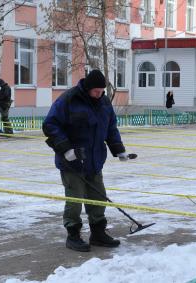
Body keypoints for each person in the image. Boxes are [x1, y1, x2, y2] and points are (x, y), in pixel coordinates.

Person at [42, 70, 130, 252]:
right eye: (96, 91)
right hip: (72, 162)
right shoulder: (69, 99)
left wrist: (119, 150)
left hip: (95, 160)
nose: (100, 94)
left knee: (98, 198)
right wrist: (66, 149)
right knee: (75, 200)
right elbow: (50, 124)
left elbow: (111, 127)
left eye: (102, 91)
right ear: (88, 88)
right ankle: (73, 235)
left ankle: (98, 233)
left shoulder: (104, 102)